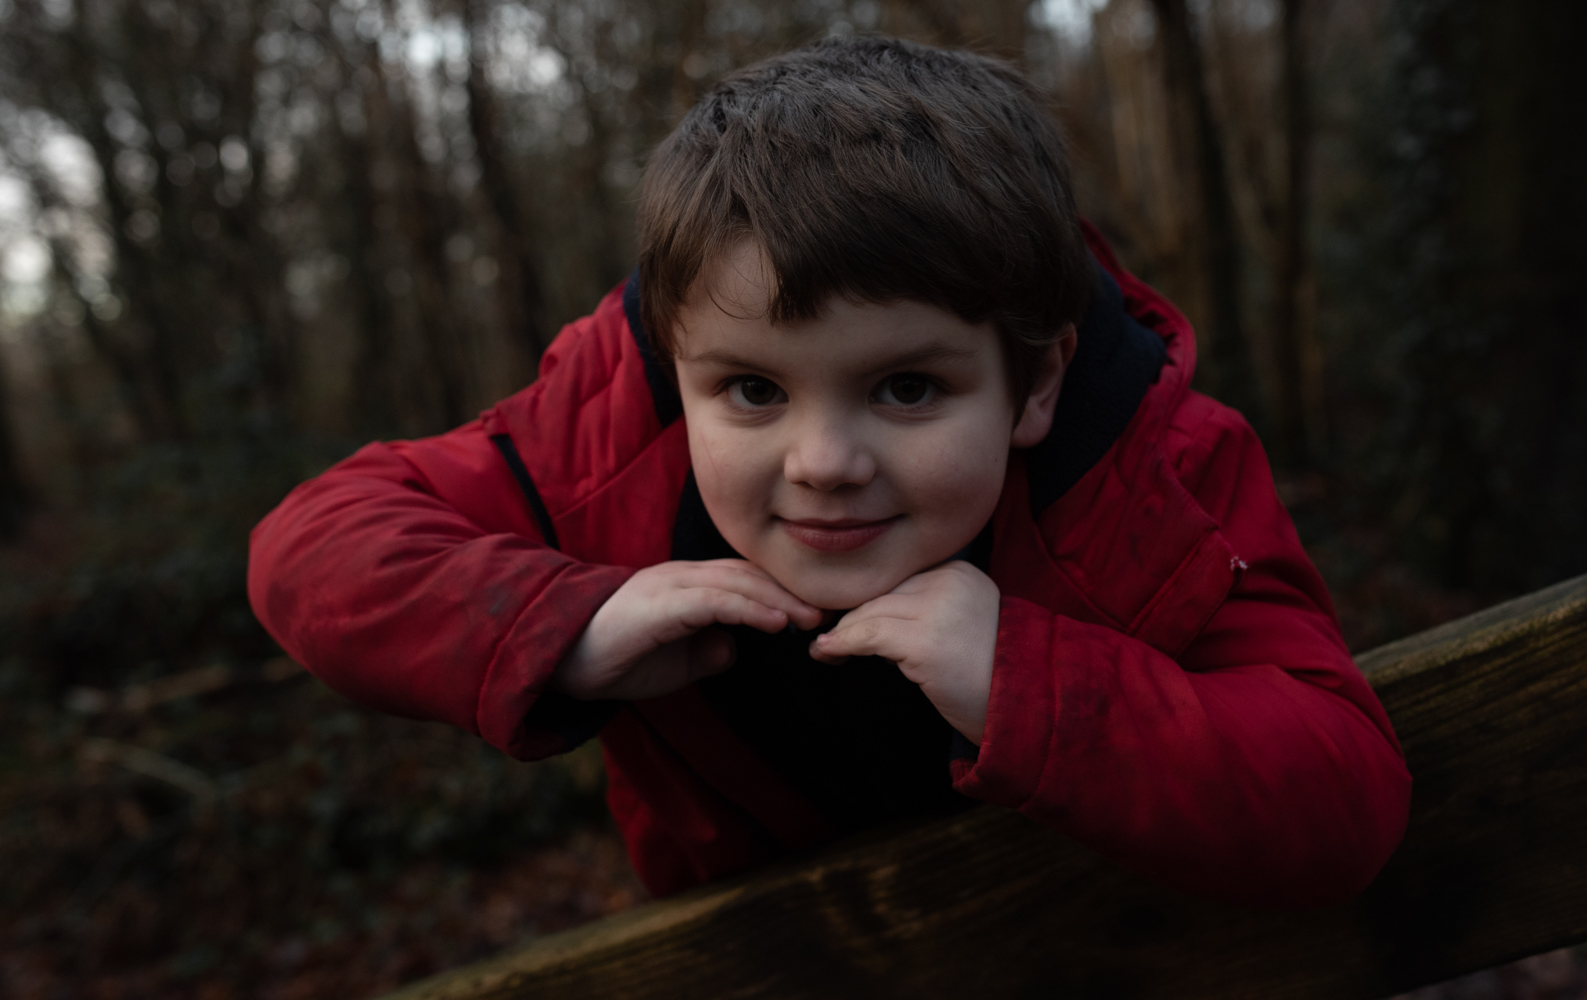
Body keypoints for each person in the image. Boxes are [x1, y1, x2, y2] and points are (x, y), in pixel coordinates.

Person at [248, 36, 1410, 908]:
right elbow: (314, 546)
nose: (824, 465)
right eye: (753, 391)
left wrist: (1028, 681)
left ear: (1037, 382)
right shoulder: (613, 427)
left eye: (906, 388)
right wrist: (572, 620)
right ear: (680, 363)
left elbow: (1344, 787)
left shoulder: (1156, 465)